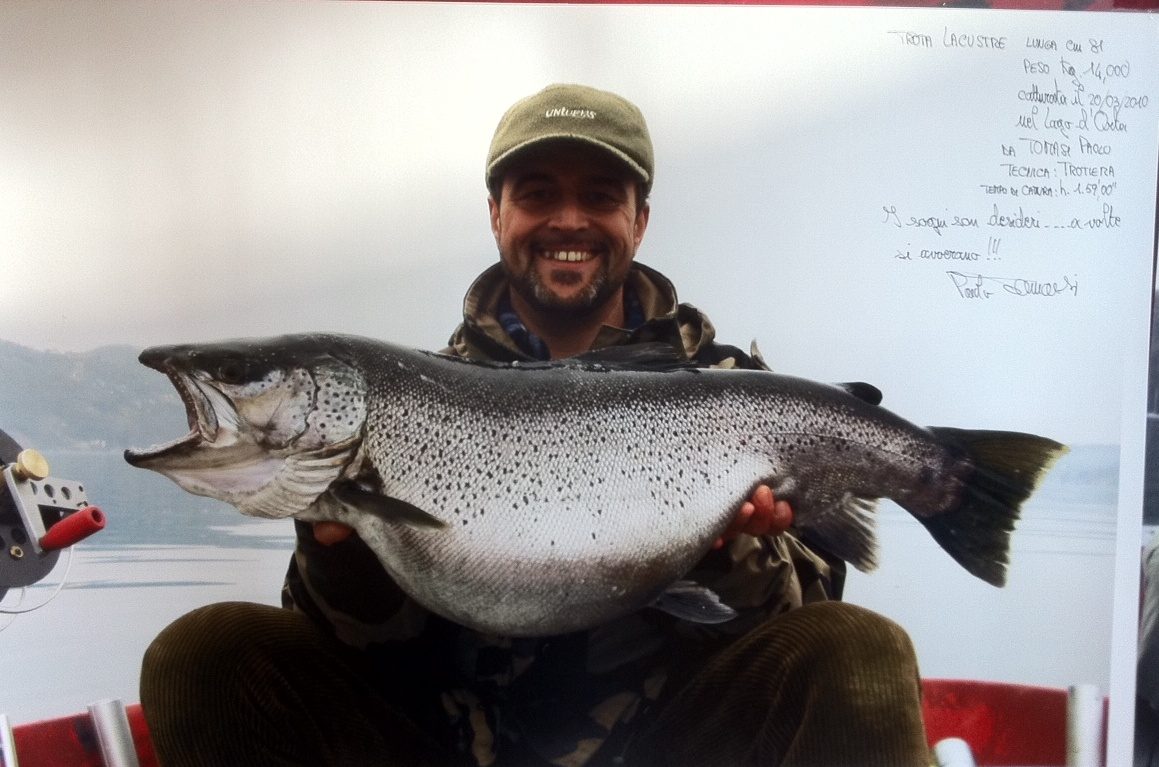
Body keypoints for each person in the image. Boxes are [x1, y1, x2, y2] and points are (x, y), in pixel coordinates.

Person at [140, 84, 929, 766]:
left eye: (601, 195)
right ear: (496, 214)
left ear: (639, 220)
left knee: (858, 649)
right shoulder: (414, 397)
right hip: (447, 744)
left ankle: (958, 487)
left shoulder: (732, 395)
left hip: (668, 743)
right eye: (537, 193)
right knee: (206, 653)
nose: (568, 219)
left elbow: (795, 629)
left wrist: (731, 550)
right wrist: (337, 552)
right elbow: (357, 653)